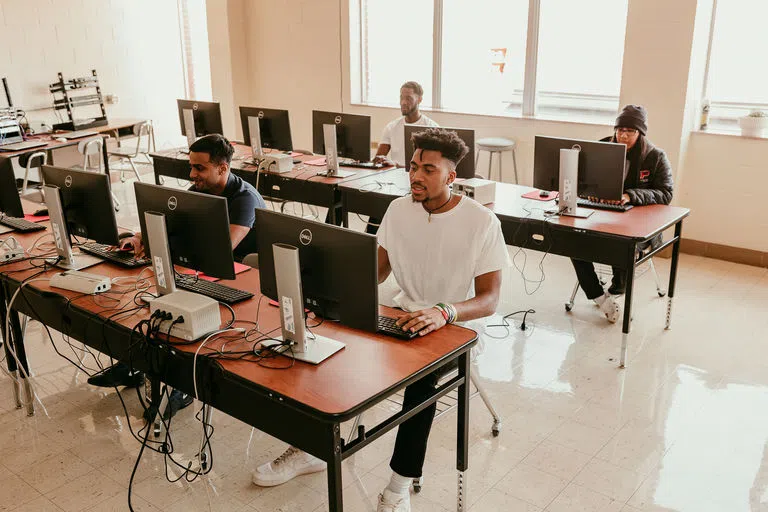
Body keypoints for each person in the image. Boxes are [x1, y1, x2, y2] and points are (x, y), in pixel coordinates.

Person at [252, 128, 510, 512]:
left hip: (456, 326)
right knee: (325, 350)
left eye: (428, 169)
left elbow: (489, 300)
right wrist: (323, 285)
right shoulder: (397, 209)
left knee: (419, 386)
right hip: (404, 313)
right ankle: (312, 449)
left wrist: (444, 312)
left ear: (451, 177)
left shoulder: (481, 222)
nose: (416, 177)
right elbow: (376, 273)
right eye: (413, 167)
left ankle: (398, 486)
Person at [87, 134, 266, 408]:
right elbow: (167, 221)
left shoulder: (245, 199)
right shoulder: (199, 191)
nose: (192, 174)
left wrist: (172, 246)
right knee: (155, 302)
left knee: (179, 308)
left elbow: (222, 249)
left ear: (223, 168)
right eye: (191, 167)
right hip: (207, 272)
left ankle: (182, 386)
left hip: (243, 281)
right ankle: (133, 364)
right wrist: (139, 238)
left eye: (200, 168)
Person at [571, 104, 674, 323]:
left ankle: (617, 288)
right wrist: (591, 193)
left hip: (639, 226)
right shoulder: (600, 148)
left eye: (630, 131)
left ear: (640, 133)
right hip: (600, 217)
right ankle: (601, 298)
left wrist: (630, 195)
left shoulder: (655, 157)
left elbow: (666, 193)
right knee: (573, 242)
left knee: (621, 245)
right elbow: (580, 181)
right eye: (620, 130)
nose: (623, 136)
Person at [373, 81, 439, 168]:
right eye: (401, 98)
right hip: (395, 176)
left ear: (419, 100)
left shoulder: (432, 128)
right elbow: (378, 159)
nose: (403, 102)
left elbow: (432, 166)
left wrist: (397, 166)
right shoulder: (391, 127)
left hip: (420, 178)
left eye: (408, 98)